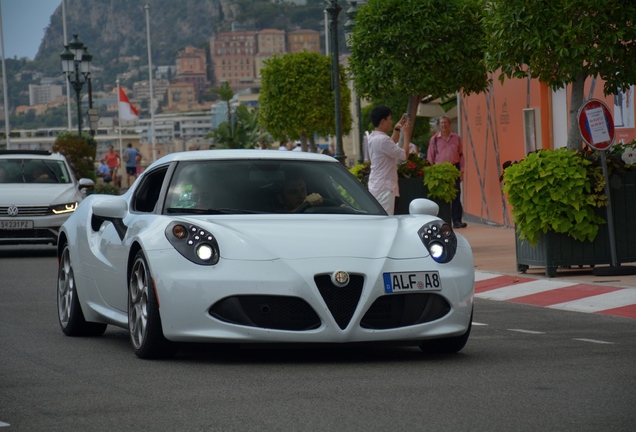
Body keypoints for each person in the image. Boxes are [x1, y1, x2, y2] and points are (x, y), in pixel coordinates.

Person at [366, 106, 412, 215]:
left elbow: (389, 146)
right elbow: (404, 155)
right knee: (385, 220)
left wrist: (397, 129)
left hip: (376, 185)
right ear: (383, 121)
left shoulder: (373, 137)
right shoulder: (383, 140)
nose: (391, 122)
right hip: (385, 188)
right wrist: (406, 134)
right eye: (390, 119)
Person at [427, 115, 467, 228]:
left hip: (454, 169)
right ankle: (443, 220)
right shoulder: (434, 139)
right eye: (441, 123)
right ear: (439, 125)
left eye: (445, 123)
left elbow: (461, 155)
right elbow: (430, 157)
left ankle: (457, 221)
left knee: (455, 195)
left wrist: (462, 171)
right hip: (440, 171)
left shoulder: (456, 138)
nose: (444, 125)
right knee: (442, 196)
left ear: (450, 124)